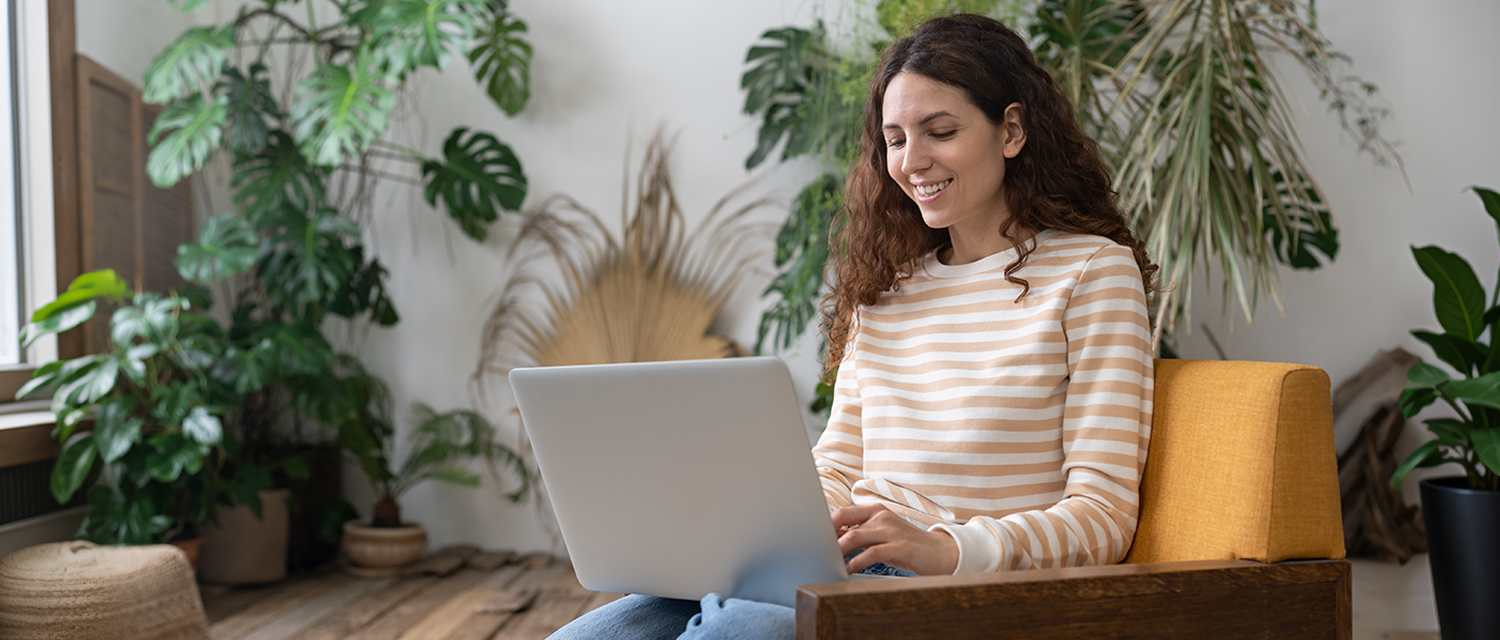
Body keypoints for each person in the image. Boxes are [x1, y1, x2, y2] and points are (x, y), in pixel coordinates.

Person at [547, 12, 1155, 639]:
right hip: (844, 567)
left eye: (939, 131)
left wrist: (942, 548)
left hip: (963, 589)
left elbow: (1103, 517)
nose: (913, 161)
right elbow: (838, 466)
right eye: (894, 140)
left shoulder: (1090, 275)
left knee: (735, 632)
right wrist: (755, 530)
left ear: (1012, 130)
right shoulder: (888, 288)